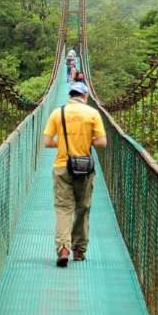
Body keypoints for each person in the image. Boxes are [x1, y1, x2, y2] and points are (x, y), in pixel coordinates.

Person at [42, 81, 107, 267]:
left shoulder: (57, 113)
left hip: (62, 166)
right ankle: (79, 249)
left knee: (63, 209)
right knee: (83, 206)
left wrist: (63, 143)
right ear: (85, 96)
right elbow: (102, 142)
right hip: (84, 167)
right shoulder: (92, 113)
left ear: (70, 96)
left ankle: (63, 248)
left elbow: (47, 143)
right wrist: (87, 140)